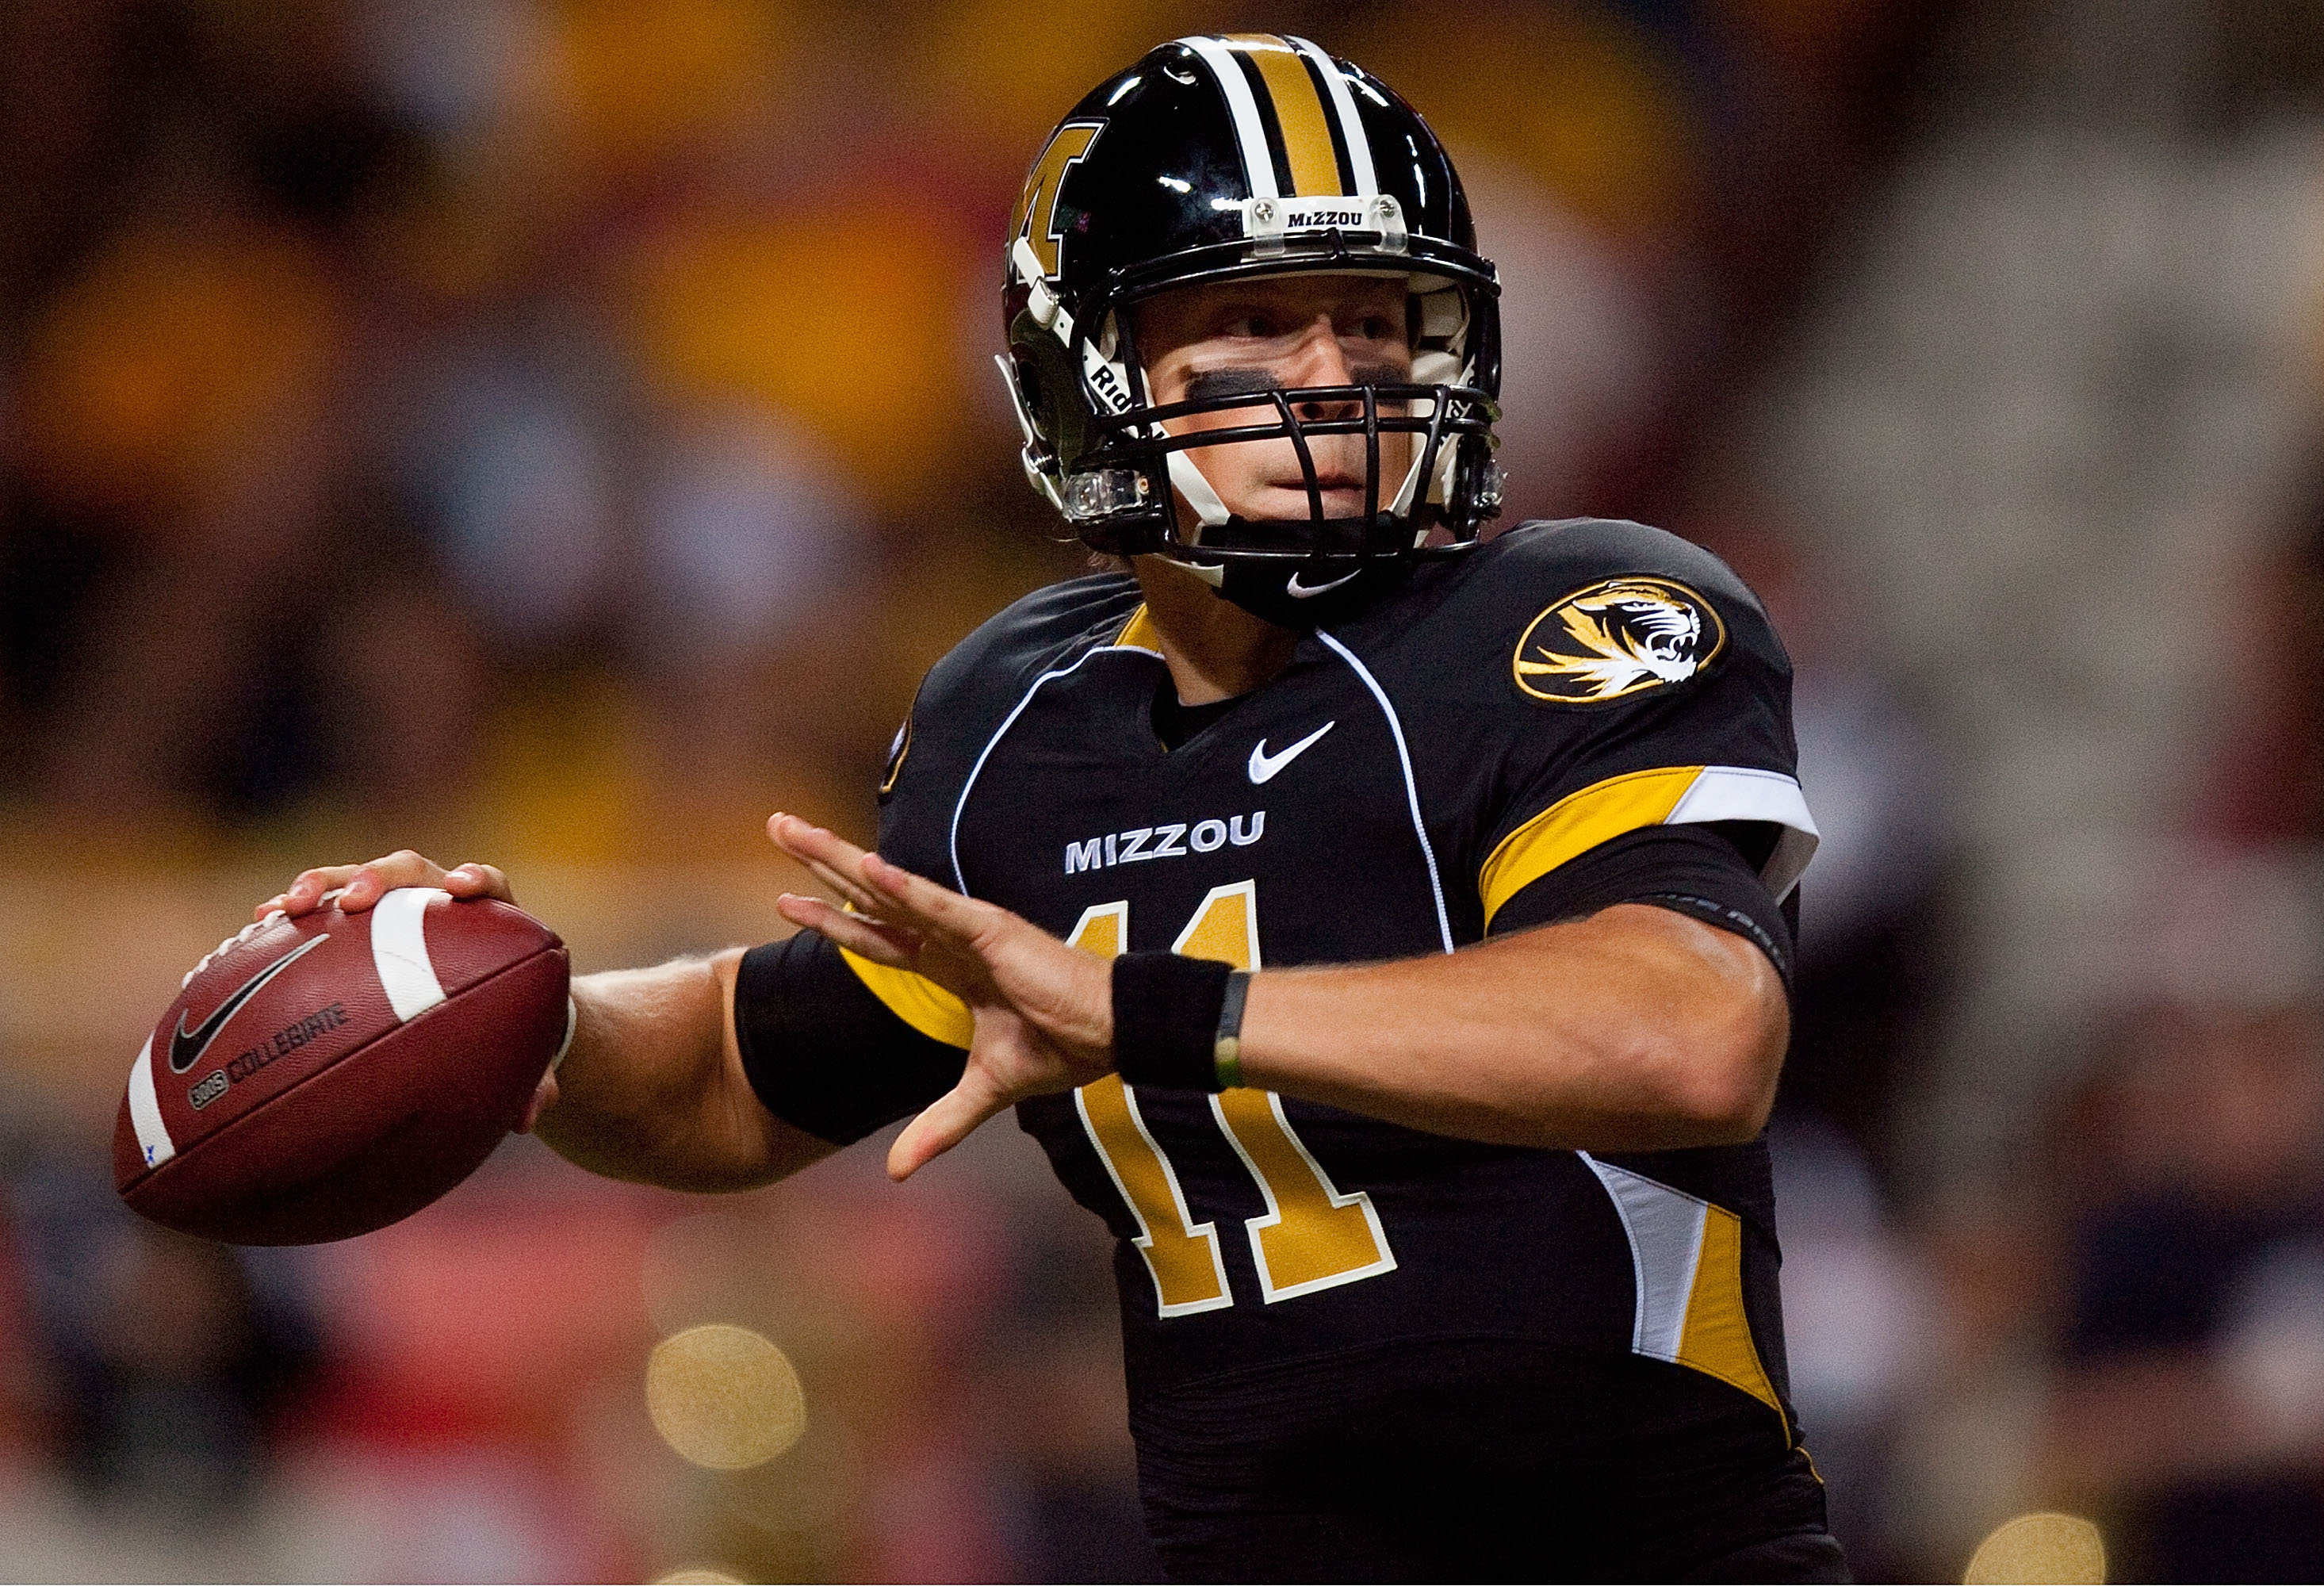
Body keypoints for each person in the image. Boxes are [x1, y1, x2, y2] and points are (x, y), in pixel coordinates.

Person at [264, 35, 1843, 1581]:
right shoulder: (1021, 714)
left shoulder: (1581, 612)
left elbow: (1687, 1032)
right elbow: (756, 1068)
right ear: (1085, 367)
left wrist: (1145, 1008)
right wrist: (506, 1007)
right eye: (1258, 322)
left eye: (1379, 319)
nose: (1336, 373)